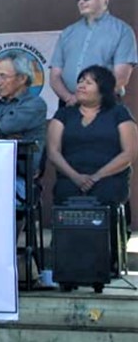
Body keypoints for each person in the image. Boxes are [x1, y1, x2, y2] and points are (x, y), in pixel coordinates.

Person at [47, 65, 138, 271]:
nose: (81, 85)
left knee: (105, 196)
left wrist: (96, 176)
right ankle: (67, 262)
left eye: (89, 82)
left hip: (109, 178)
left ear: (103, 88)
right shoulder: (64, 115)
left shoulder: (119, 113)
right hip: (70, 178)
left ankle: (107, 261)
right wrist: (76, 176)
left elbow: (129, 153)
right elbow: (53, 152)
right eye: (80, 81)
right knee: (66, 195)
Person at [50, 0, 138, 107]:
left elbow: (121, 77)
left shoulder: (122, 31)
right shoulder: (68, 33)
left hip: (104, 104)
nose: (81, 2)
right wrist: (69, 98)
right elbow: (55, 75)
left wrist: (89, 98)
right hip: (69, 105)